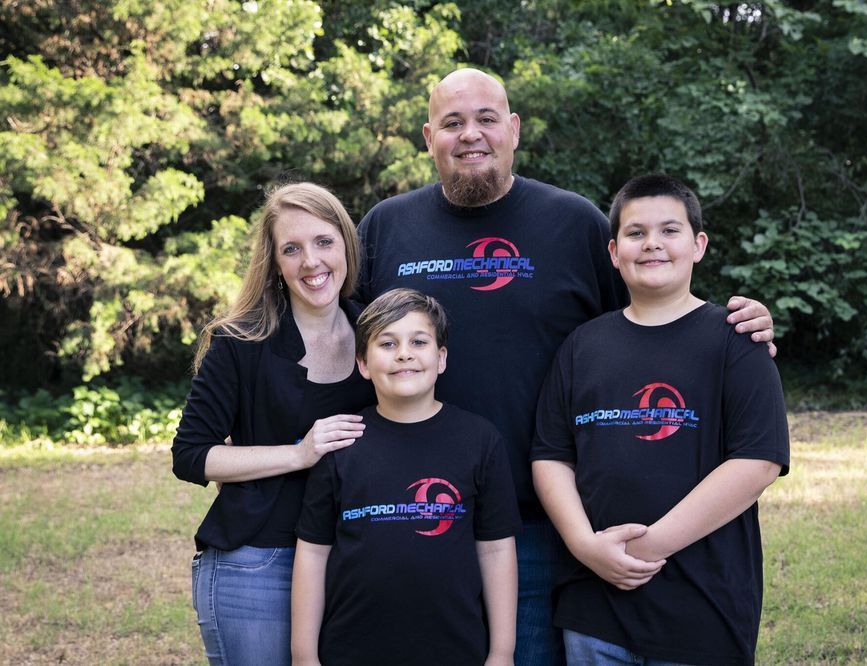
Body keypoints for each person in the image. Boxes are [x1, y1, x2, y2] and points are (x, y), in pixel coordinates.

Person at [356, 68, 777, 664]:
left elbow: (648, 320)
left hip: (539, 528)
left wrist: (741, 327)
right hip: (408, 514)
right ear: (428, 137)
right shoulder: (385, 227)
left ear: (514, 129)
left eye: (486, 118)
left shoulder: (574, 223)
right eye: (452, 123)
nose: (470, 134)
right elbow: (340, 339)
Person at [531, 174, 790, 665]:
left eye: (669, 231)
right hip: (593, 608)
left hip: (703, 607)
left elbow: (757, 461)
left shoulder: (736, 340)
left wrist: (649, 546)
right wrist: (585, 546)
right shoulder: (580, 346)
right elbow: (550, 454)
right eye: (635, 233)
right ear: (613, 251)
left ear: (698, 245)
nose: (652, 244)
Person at [171, 182, 375, 665]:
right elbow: (191, 455)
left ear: (346, 242)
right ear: (275, 263)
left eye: (324, 242)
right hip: (258, 564)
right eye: (292, 249)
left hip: (352, 564)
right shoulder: (240, 341)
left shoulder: (378, 334)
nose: (311, 261)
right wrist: (299, 453)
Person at [291, 288, 521, 665]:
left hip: (456, 650)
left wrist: (502, 651)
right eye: (387, 343)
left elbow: (496, 549)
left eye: (418, 341)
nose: (404, 354)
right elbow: (314, 553)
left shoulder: (480, 441)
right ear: (363, 363)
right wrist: (303, 656)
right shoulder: (342, 442)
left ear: (441, 357)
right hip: (351, 650)